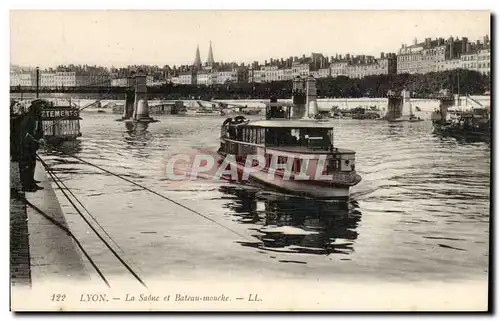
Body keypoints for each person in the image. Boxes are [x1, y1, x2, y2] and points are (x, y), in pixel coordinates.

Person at [19, 100, 45, 192]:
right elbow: (23, 130)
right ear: (36, 107)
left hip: (33, 144)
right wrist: (30, 137)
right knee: (26, 164)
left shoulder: (38, 117)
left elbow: (40, 130)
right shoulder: (27, 116)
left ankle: (31, 182)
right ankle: (26, 185)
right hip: (26, 144)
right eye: (41, 107)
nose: (42, 108)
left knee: (32, 162)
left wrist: (41, 138)